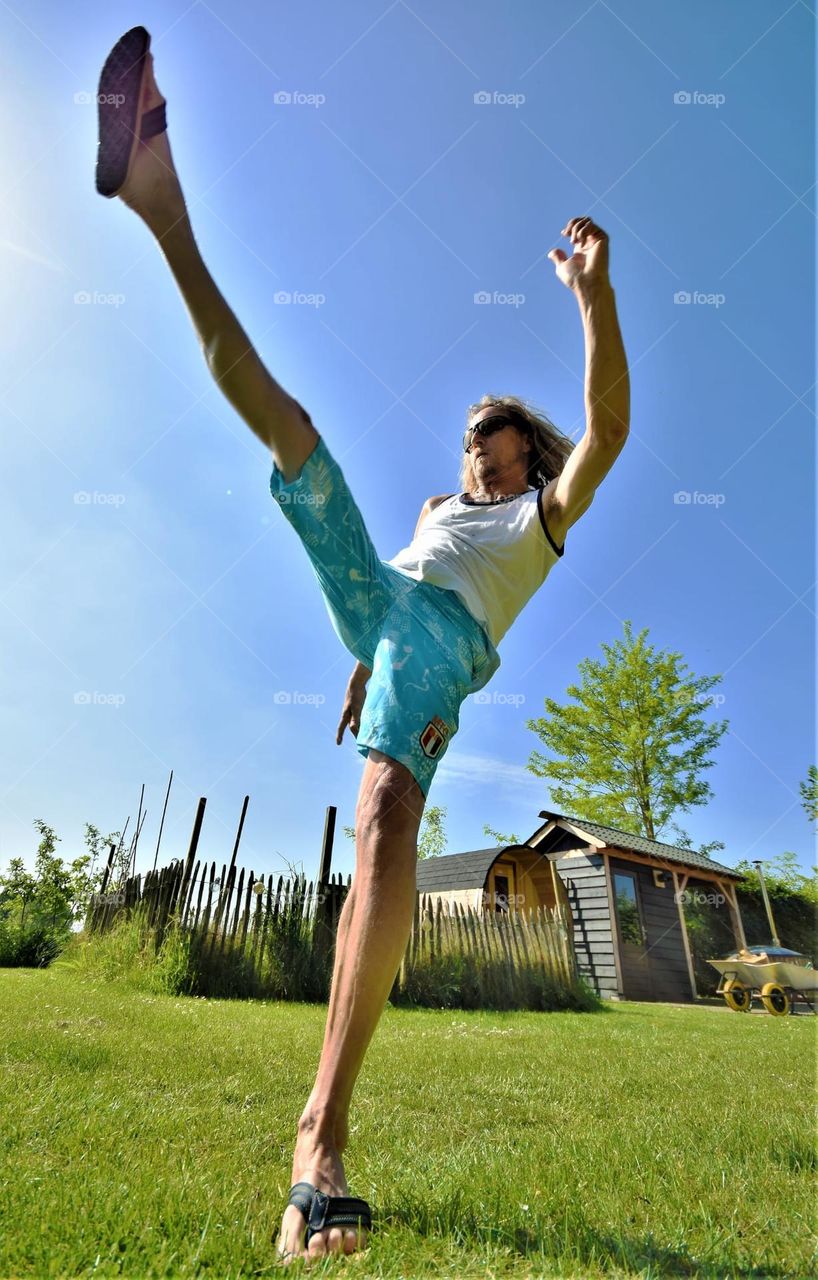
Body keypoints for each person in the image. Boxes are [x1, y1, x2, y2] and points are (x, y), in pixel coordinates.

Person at [96, 28, 630, 1266]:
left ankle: (320, 1137)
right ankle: (159, 199)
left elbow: (604, 430)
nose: (474, 451)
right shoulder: (438, 510)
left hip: (441, 648)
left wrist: (593, 302)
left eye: (492, 439)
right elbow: (394, 583)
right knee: (291, 430)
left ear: (523, 456)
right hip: (387, 616)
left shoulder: (540, 520)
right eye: (469, 440)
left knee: (383, 812)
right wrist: (360, 658)